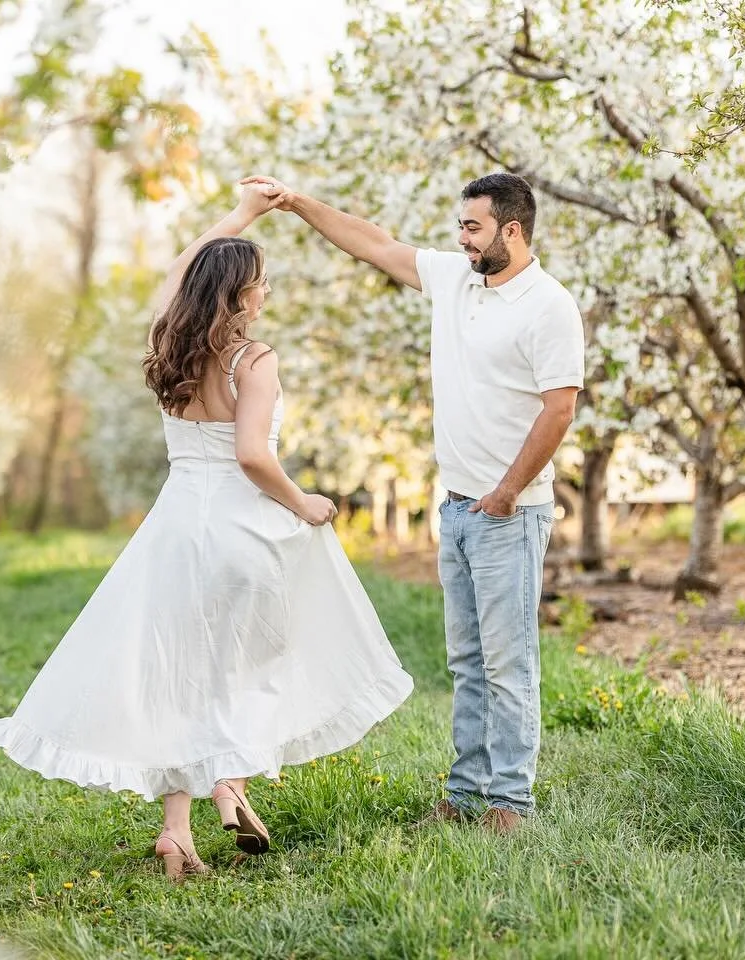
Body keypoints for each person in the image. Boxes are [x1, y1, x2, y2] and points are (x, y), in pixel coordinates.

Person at [0, 183, 414, 880]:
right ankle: (229, 779)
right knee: (252, 659)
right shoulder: (255, 359)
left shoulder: (169, 340)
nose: (266, 294)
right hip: (244, 527)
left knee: (177, 670)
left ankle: (177, 832)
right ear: (240, 296)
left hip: (178, 527)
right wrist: (303, 503)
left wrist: (240, 214)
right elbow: (251, 455)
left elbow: (177, 272)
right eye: (261, 285)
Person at [241, 171, 585, 832]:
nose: (462, 239)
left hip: (509, 514)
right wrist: (299, 200)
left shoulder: (549, 306)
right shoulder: (456, 280)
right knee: (467, 662)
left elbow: (560, 409)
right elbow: (374, 245)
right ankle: (463, 796)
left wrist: (508, 491)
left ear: (513, 230)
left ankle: (510, 802)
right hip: (455, 509)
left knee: (509, 664)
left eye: (473, 227)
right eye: (460, 225)